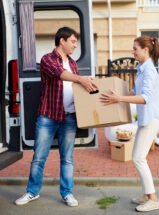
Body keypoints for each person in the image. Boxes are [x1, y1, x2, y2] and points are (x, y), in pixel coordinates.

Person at [14, 27, 97, 206]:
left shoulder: (73, 64)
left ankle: (67, 193)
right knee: (39, 157)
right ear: (62, 41)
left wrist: (88, 83)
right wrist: (80, 79)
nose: (75, 45)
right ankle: (32, 192)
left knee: (67, 158)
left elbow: (77, 86)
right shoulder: (47, 59)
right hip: (48, 117)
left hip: (69, 117)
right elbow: (60, 74)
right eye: (73, 41)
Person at [100, 35, 159, 212]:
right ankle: (147, 195)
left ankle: (153, 199)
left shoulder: (150, 71)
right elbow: (135, 92)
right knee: (139, 157)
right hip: (147, 119)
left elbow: (144, 98)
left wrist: (119, 98)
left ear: (145, 50)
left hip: (152, 118)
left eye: (135, 48)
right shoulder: (142, 68)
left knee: (138, 158)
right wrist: (119, 95)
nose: (132, 51)